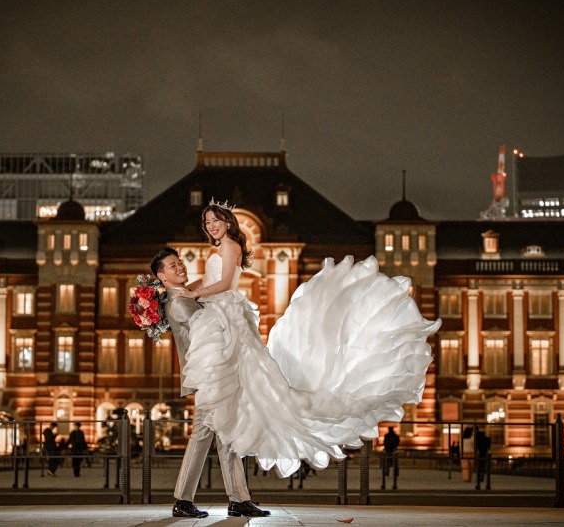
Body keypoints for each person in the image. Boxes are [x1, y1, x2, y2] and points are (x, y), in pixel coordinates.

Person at [170, 199, 440, 478]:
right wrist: (181, 290)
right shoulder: (219, 248)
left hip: (227, 316)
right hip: (219, 317)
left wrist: (191, 295)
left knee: (244, 392)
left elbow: (224, 283)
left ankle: (232, 479)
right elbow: (206, 279)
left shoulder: (231, 246)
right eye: (207, 223)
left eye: (216, 220)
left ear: (227, 221)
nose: (211, 226)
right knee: (235, 393)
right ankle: (235, 488)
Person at [151, 247, 269, 519]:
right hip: (209, 376)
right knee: (205, 434)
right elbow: (214, 327)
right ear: (162, 276)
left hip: (214, 375)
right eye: (172, 266)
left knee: (223, 432)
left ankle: (236, 499)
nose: (180, 267)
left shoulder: (183, 298)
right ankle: (186, 499)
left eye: (179, 262)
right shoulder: (180, 303)